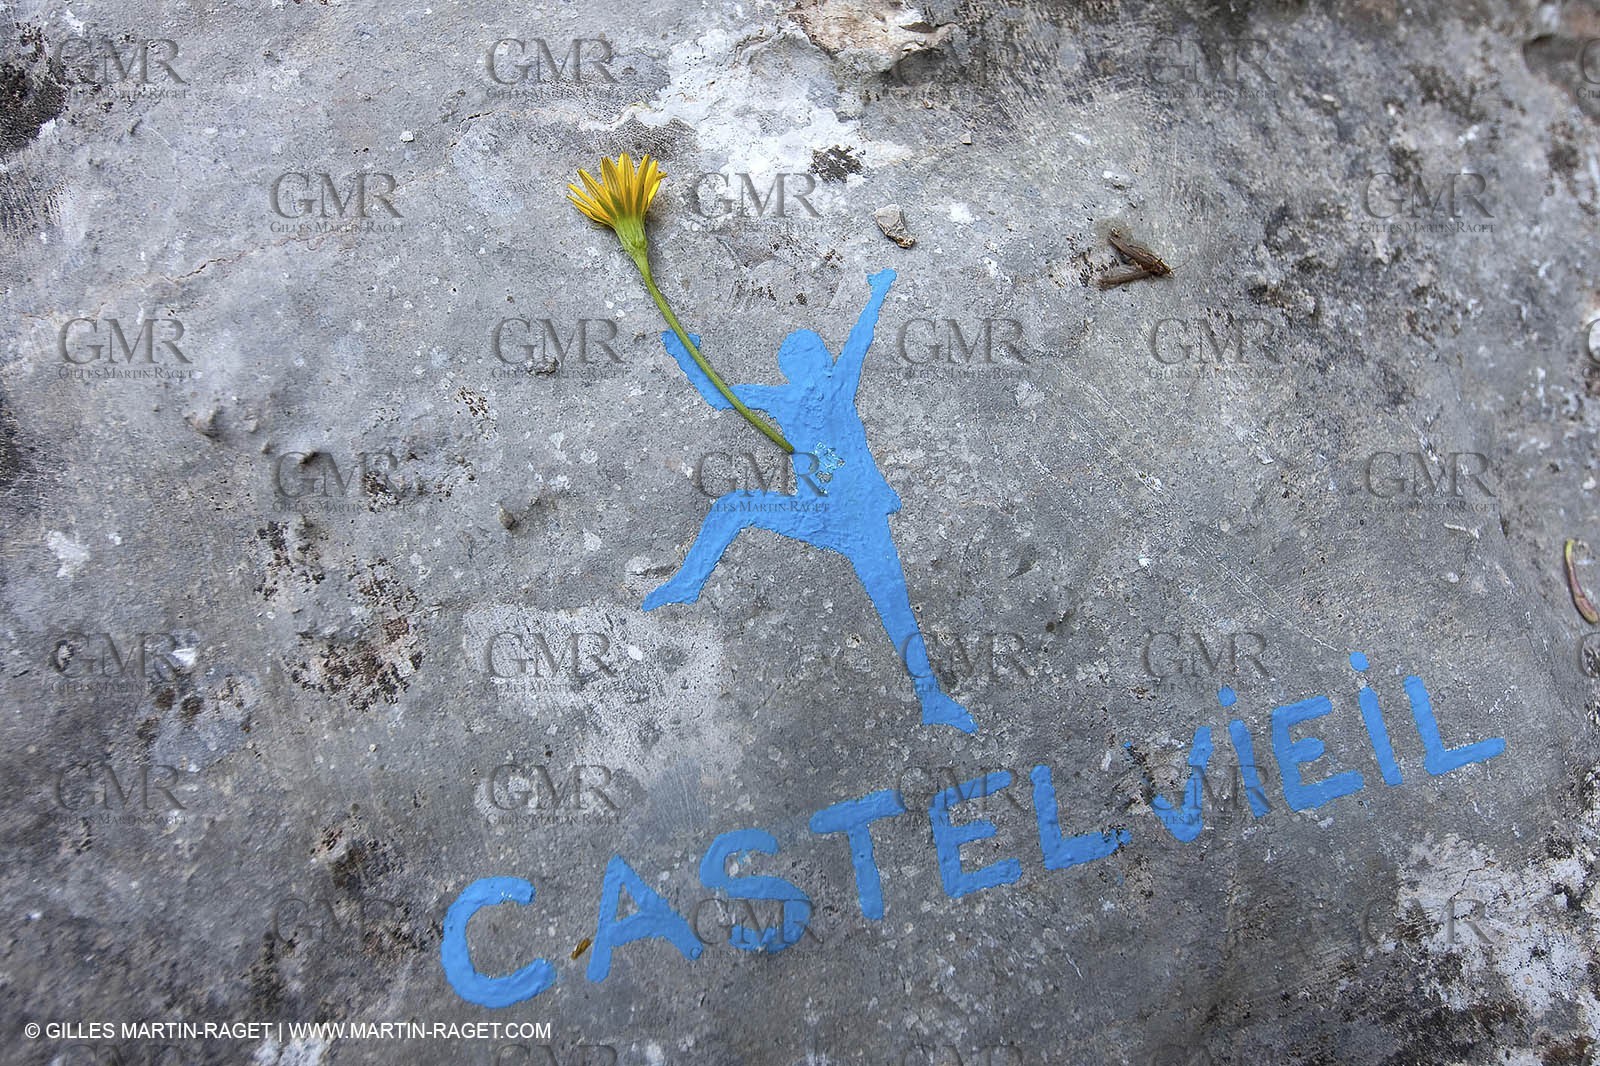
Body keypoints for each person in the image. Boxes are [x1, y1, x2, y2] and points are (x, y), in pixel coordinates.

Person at [642, 268, 977, 734]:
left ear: (822, 360)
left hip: (858, 512)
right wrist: (683, 350)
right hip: (817, 511)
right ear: (789, 368)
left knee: (891, 600)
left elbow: (860, 339)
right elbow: (719, 398)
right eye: (796, 357)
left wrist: (878, 293)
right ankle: (688, 583)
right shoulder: (781, 400)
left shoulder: (838, 385)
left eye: (812, 353)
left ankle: (930, 695)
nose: (807, 363)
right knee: (732, 506)